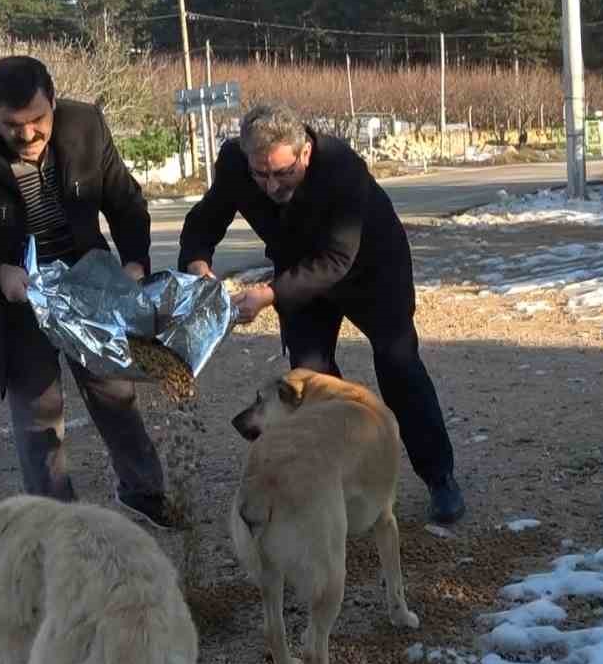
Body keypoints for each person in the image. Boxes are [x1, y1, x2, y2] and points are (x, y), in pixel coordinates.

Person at [177, 104, 466, 524]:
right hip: (298, 273)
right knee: (310, 381)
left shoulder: (342, 167)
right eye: (261, 175)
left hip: (370, 269)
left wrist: (270, 294)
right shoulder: (236, 163)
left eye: (282, 173)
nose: (271, 185)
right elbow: (206, 219)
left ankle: (440, 477)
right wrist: (198, 264)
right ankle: (343, 477)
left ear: (305, 152)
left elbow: (335, 259)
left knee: (398, 364)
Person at [0, 55, 174, 527]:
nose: (27, 135)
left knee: (115, 394)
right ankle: (57, 520)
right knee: (40, 417)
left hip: (89, 289)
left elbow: (125, 201)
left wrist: (135, 263)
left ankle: (144, 492)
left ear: (54, 101)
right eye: (11, 125)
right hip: (18, 303)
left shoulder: (86, 124)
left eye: (38, 120)